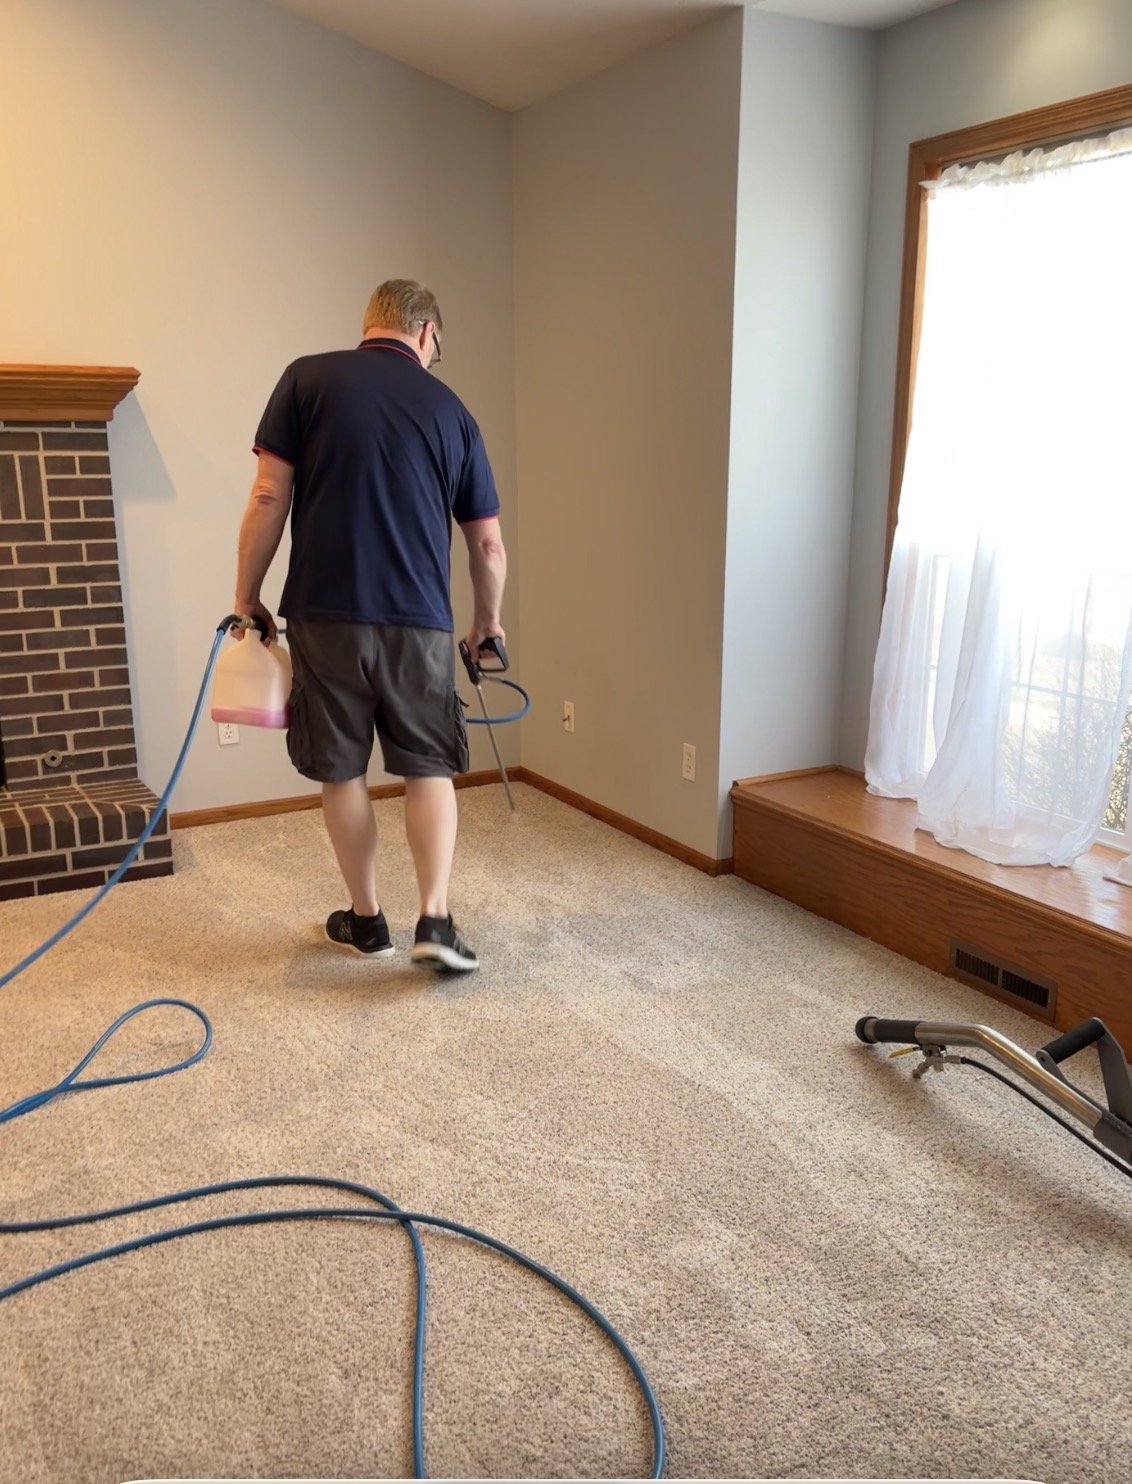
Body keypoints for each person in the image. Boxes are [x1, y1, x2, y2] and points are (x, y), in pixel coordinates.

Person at [232, 279, 507, 972]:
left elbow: (269, 493)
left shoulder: (306, 379)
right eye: (438, 345)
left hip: (325, 614)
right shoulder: (454, 412)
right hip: (419, 622)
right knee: (428, 767)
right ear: (424, 332)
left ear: (372, 325)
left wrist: (247, 597)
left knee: (342, 769)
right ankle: (436, 922)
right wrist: (487, 624)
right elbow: (489, 545)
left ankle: (366, 920)